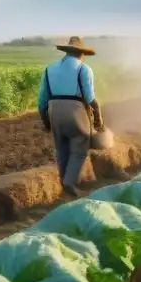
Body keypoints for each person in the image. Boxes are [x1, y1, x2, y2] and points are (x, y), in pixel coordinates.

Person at [37, 36, 103, 198]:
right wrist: (98, 118)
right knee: (80, 146)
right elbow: (89, 98)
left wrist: (46, 121)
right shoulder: (84, 69)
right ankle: (69, 183)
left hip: (54, 110)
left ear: (67, 52)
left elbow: (41, 100)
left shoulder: (49, 69)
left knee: (61, 148)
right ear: (81, 53)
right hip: (75, 110)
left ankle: (63, 183)